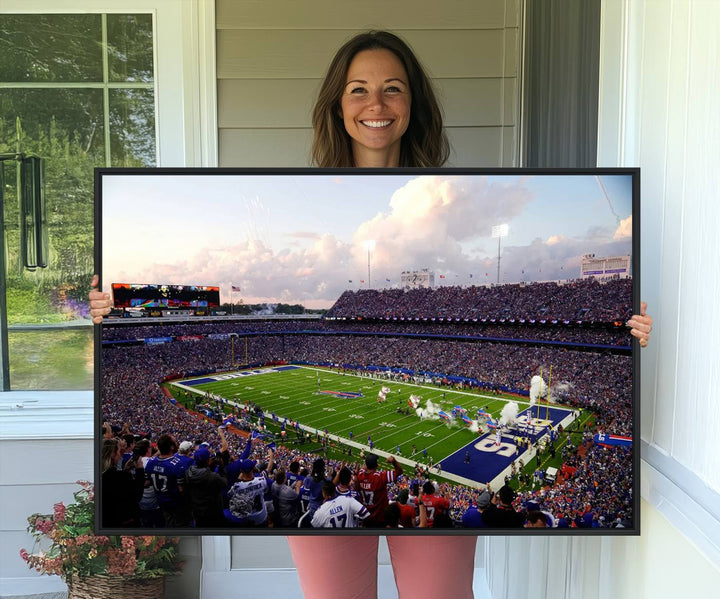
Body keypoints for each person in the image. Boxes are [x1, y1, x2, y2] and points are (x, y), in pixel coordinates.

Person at [89, 28, 653, 599]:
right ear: (337, 105)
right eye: (358, 89)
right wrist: (106, 309)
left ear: (415, 104)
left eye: (393, 89)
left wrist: (630, 332)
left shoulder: (456, 188)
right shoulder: (291, 187)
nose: (376, 105)